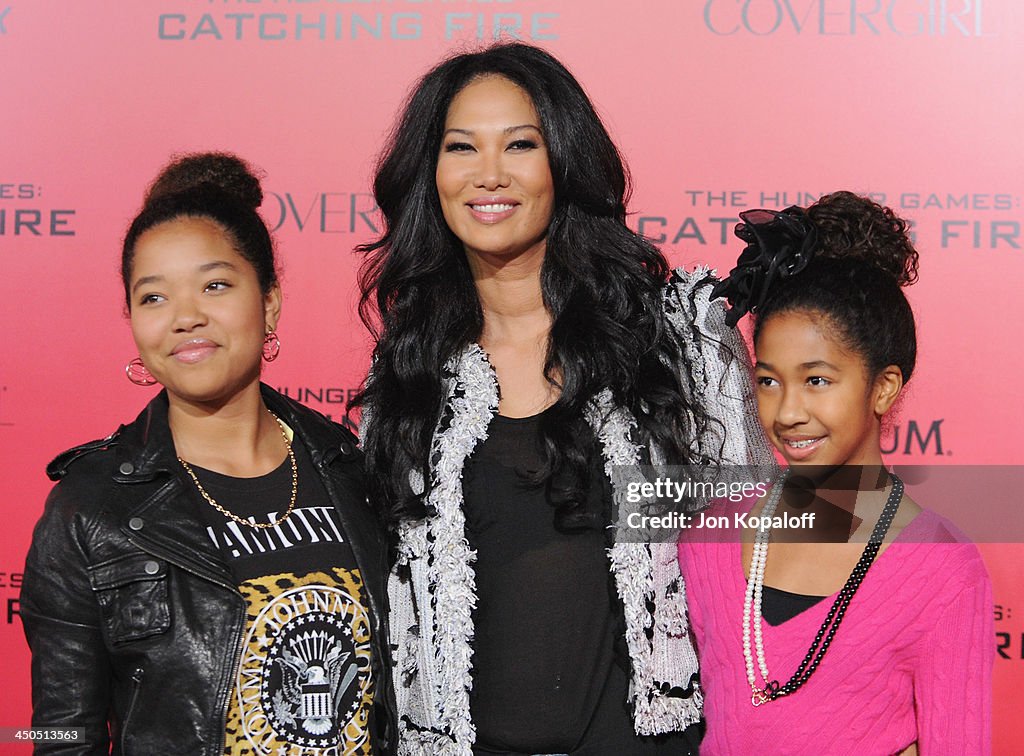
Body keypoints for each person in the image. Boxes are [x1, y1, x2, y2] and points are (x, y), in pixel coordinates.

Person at [354, 42, 772, 754]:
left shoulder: (674, 340)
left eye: (520, 144)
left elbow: (774, 542)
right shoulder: (411, 369)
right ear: (431, 174)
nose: (489, 174)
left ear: (564, 164)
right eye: (461, 147)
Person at [21, 153, 396, 755]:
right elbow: (61, 732)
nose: (186, 317)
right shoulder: (88, 510)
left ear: (269, 302)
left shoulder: (351, 467)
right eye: (153, 298)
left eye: (215, 285)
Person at [678, 192, 994, 754]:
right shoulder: (709, 535)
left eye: (817, 380)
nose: (788, 411)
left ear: (883, 387)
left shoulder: (943, 571)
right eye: (769, 381)